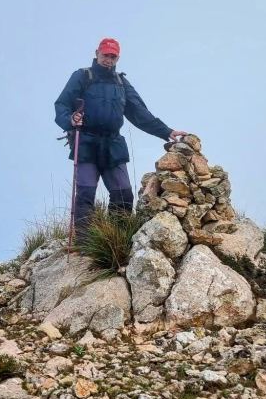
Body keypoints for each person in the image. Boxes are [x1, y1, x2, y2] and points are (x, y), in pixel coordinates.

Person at [55, 38, 187, 244]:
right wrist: (70, 120)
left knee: (123, 194)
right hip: (86, 142)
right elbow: (61, 104)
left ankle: (117, 240)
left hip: (113, 145)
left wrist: (167, 131)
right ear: (97, 53)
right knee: (85, 194)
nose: (108, 59)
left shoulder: (121, 82)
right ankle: (85, 245)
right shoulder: (82, 76)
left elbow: (139, 113)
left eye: (112, 56)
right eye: (105, 54)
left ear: (118, 57)